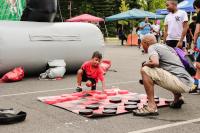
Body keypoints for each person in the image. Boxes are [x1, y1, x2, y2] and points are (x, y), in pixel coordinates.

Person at [133, 34, 194, 116]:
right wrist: (146, 79)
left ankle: (151, 107)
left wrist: (144, 65)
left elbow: (155, 62)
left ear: (146, 43)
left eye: (142, 44)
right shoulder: (165, 47)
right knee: (160, 71)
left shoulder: (152, 47)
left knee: (145, 70)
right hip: (188, 82)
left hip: (180, 83)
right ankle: (178, 98)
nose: (141, 46)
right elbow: (164, 67)